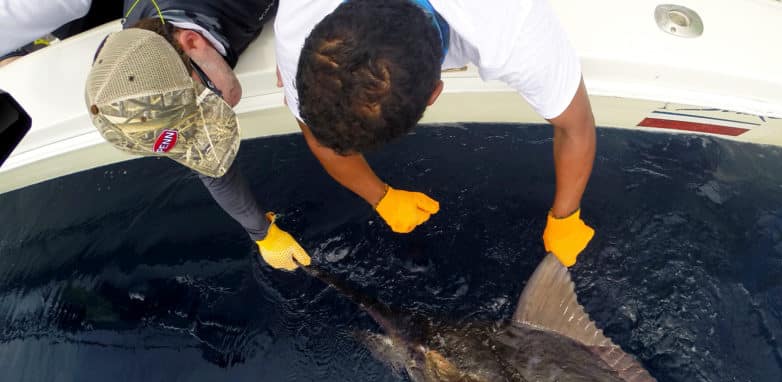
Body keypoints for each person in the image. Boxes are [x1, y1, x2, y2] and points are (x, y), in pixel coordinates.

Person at [274, 0, 598, 267]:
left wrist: (565, 217)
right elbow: (319, 136)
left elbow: (576, 126)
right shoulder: (299, 30)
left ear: (434, 93)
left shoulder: (513, 26)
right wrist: (379, 195)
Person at [84, 0, 311, 271]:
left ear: (192, 42)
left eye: (205, 101)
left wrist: (297, 33)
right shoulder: (137, 69)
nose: (214, 116)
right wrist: (264, 234)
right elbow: (208, 162)